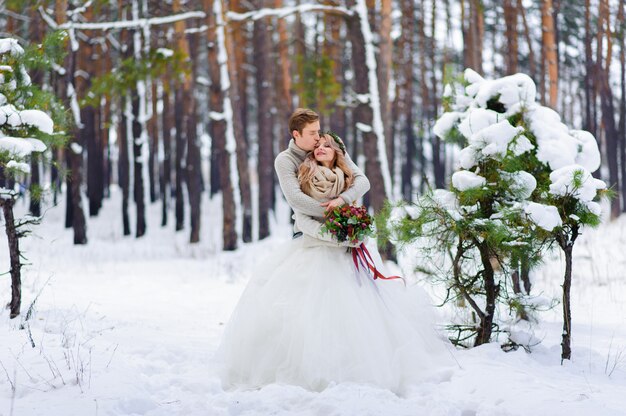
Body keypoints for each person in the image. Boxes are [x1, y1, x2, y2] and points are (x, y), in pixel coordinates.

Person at [215, 124, 453, 393]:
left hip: (347, 254)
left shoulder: (347, 177)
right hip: (314, 250)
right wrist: (333, 236)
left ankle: (361, 370)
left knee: (360, 313)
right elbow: (301, 219)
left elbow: (360, 191)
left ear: (338, 152)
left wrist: (353, 227)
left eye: (327, 145)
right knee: (308, 312)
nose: (320, 147)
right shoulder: (305, 175)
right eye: (317, 144)